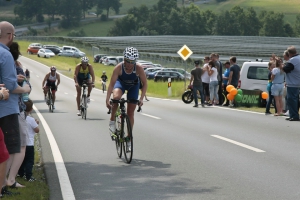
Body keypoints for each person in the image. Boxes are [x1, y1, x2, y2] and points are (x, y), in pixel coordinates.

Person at [0, 21, 30, 197]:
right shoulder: (6, 54)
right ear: (10, 35)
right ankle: (3, 186)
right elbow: (11, 86)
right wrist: (24, 89)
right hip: (7, 108)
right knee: (10, 149)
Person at [106, 47, 147, 150]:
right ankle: (112, 120)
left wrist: (141, 99)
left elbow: (145, 83)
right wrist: (107, 99)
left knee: (130, 112)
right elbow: (111, 85)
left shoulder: (138, 68)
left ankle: (129, 138)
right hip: (121, 84)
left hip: (134, 86)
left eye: (132, 62)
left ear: (135, 61)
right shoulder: (118, 68)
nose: (129, 64)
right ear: (124, 59)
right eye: (127, 61)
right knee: (116, 98)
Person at [18, 99, 39, 182]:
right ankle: (29, 176)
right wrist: (36, 123)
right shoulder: (31, 120)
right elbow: (37, 130)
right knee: (29, 161)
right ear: (31, 109)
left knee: (21, 160)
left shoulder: (19, 118)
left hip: (21, 143)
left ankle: (20, 173)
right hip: (29, 144)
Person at [282, 46, 300, 121]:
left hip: (293, 83)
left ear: (289, 53)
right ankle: (293, 114)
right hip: (298, 82)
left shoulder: (292, 60)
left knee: (291, 100)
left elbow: (285, 69)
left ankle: (294, 115)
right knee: (296, 100)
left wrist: (281, 65)